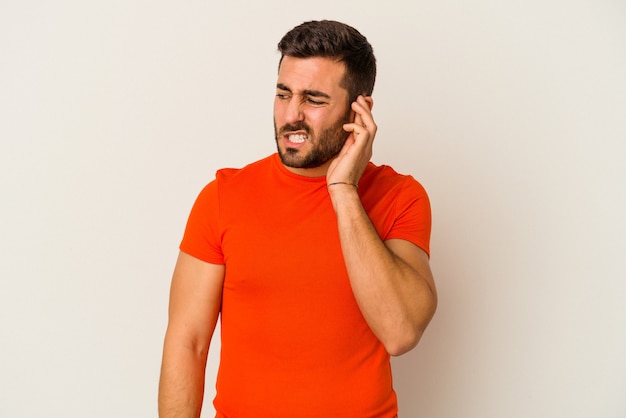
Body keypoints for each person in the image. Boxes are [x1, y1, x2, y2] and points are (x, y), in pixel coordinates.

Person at [158, 20, 437, 418]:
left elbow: (400, 331)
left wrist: (343, 191)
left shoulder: (400, 197)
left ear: (359, 109)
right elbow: (188, 342)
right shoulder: (222, 197)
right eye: (283, 93)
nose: (292, 115)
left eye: (315, 99)